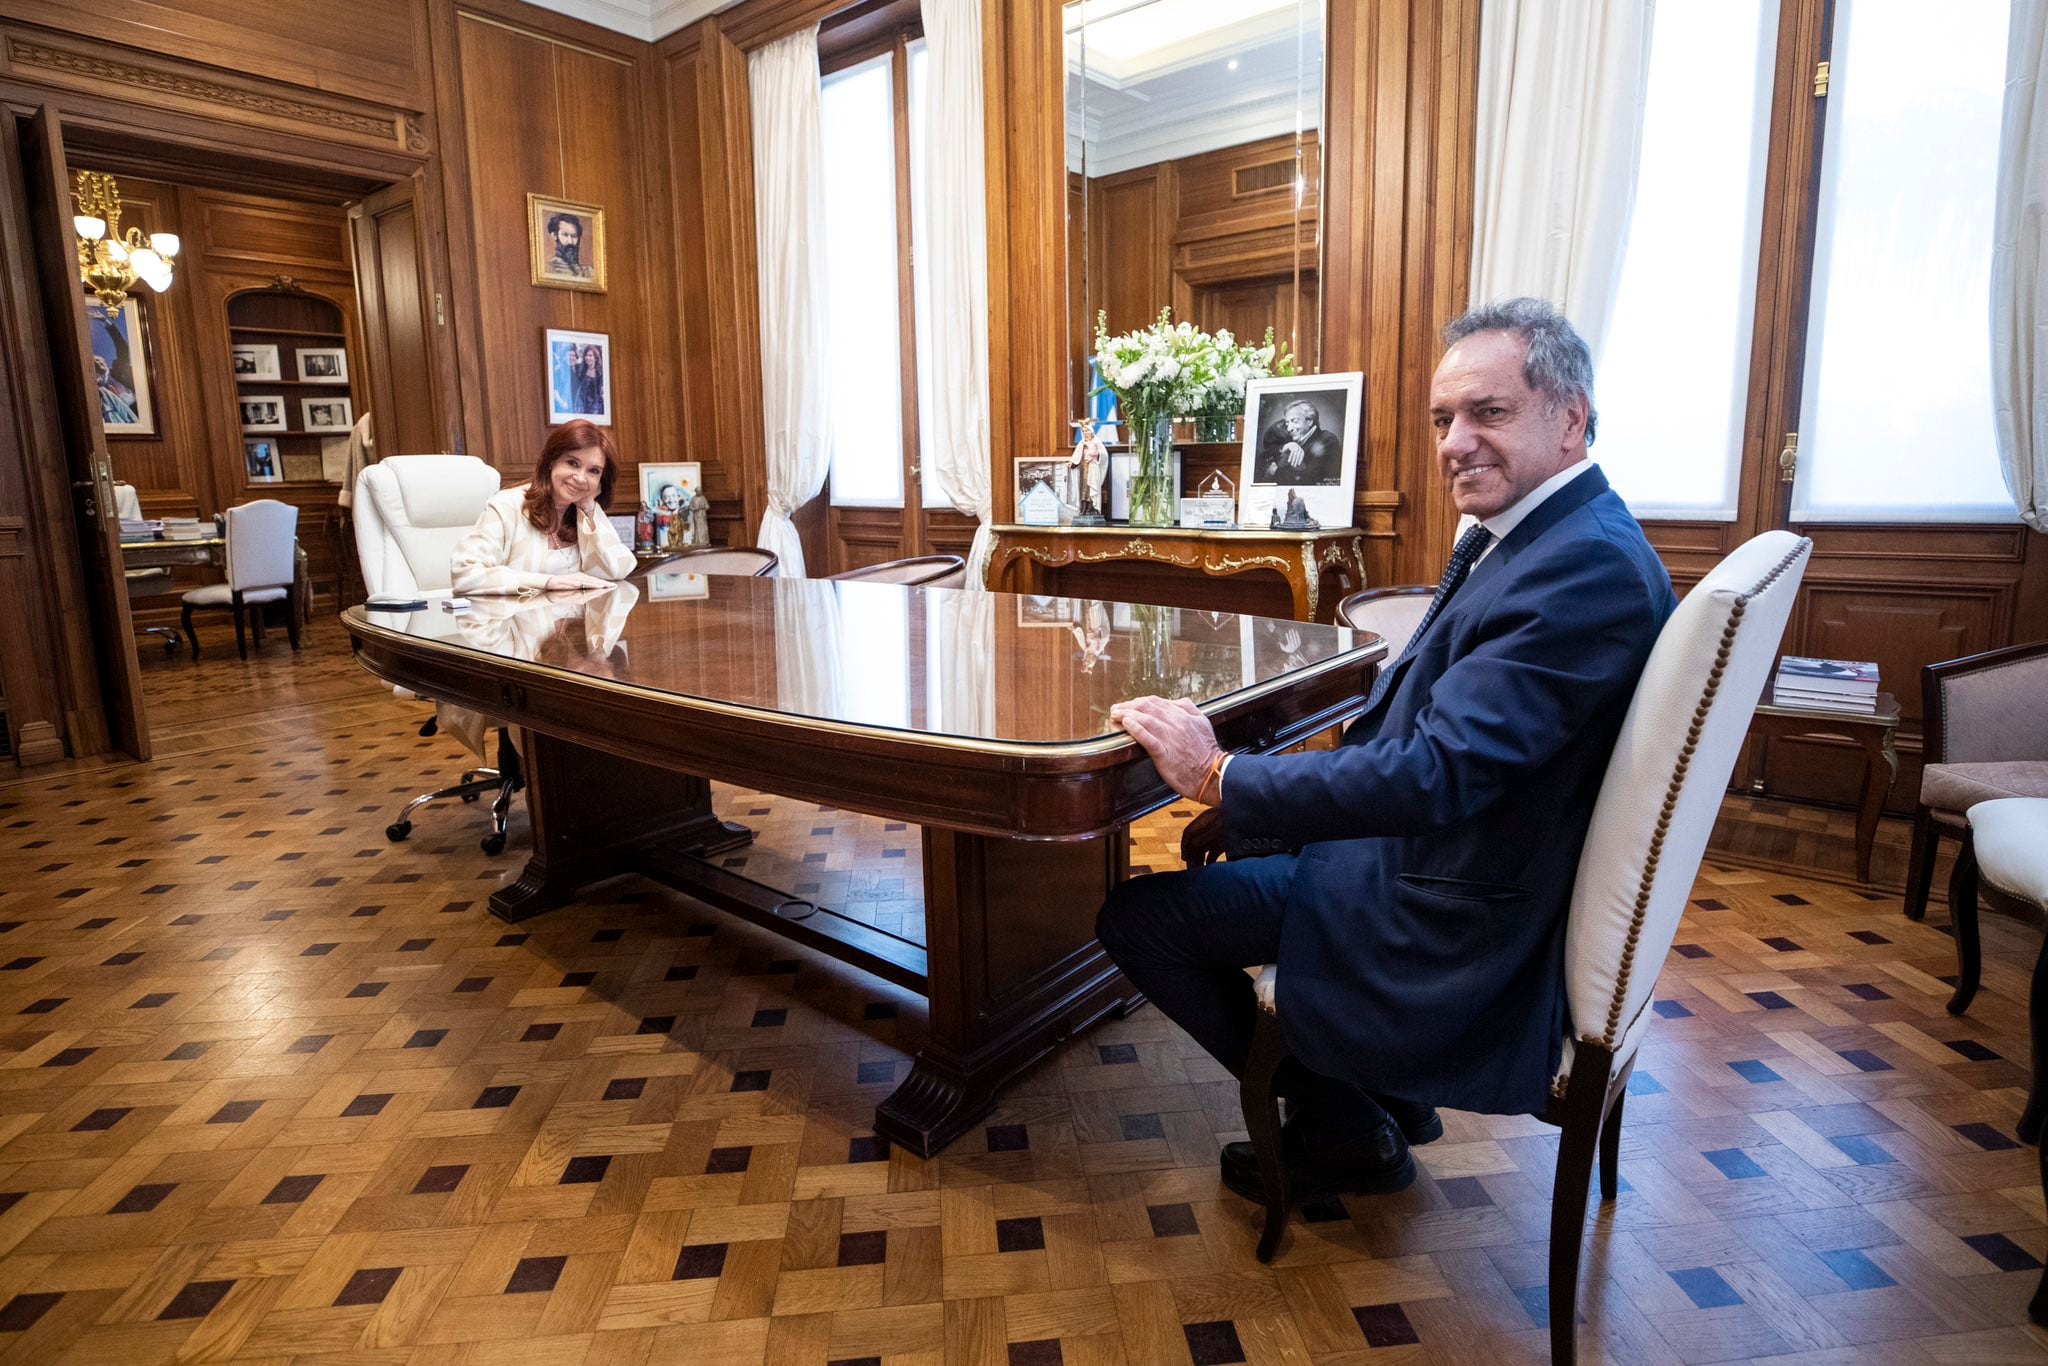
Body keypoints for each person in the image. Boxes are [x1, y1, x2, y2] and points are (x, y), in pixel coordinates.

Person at [1096, 298, 1676, 1206]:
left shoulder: (1581, 567)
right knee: (1247, 834)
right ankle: (1377, 1092)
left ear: (1572, 419)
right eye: (1445, 419)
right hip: (1467, 850)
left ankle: (1341, 1124)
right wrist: (1253, 794)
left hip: (1447, 898)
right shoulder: (1556, 536)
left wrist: (1221, 775)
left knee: (1137, 920)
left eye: (1488, 413)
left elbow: (1436, 774)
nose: (1454, 442)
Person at [450, 419, 637, 596]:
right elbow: (465, 575)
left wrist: (588, 507)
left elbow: (618, 570)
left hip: (577, 627)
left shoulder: (584, 511)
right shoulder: (506, 507)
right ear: (551, 461)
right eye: (572, 463)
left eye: (593, 471)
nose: (581, 478)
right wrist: (548, 582)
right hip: (519, 625)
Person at [1256, 399, 1342, 485]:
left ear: (1309, 421)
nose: (1289, 428)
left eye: (1295, 421)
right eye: (1287, 423)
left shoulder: (1328, 440)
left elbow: (1310, 480)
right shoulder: (1291, 438)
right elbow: (1264, 456)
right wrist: (1285, 446)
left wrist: (1275, 471)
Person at [546, 212, 592, 279]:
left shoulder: (588, 272)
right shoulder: (548, 268)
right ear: (555, 236)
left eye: (574, 236)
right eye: (565, 235)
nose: (570, 241)